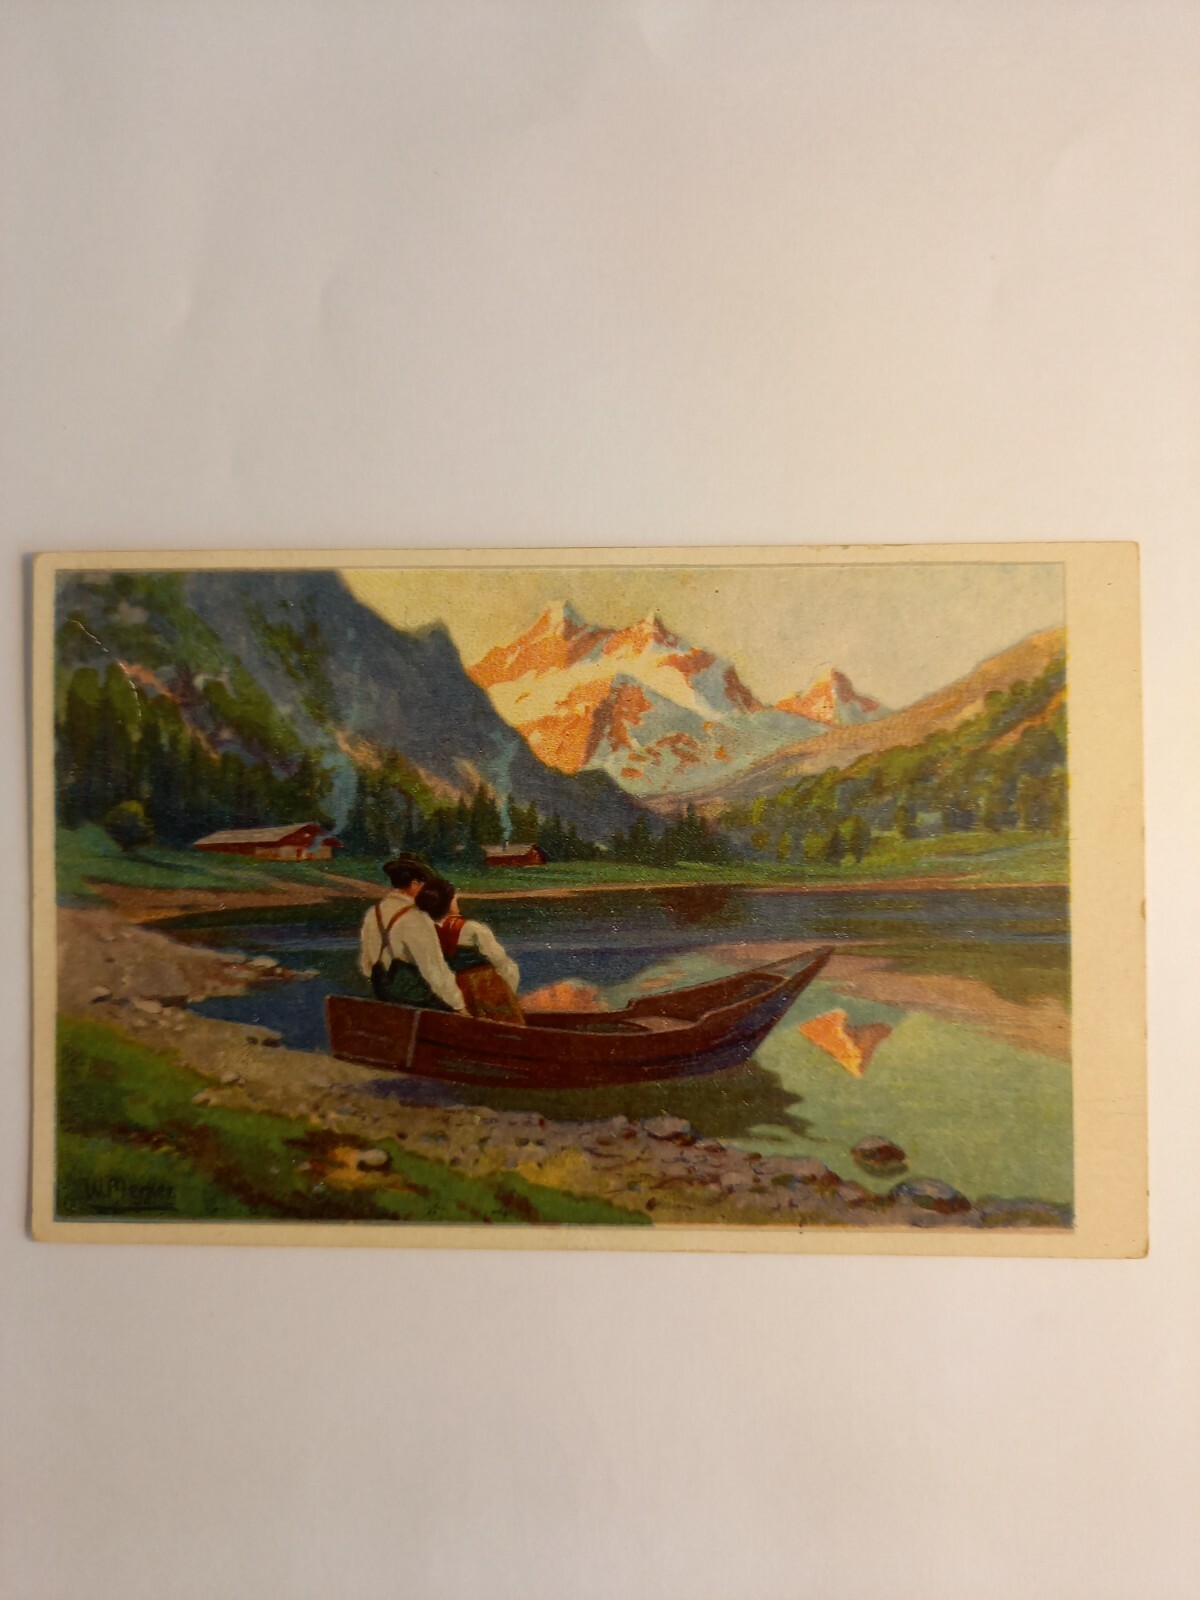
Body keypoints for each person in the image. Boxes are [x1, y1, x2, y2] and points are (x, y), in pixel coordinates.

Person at [358, 854, 468, 1014]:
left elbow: (366, 966)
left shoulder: (373, 913)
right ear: (415, 884)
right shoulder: (416, 918)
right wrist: (459, 1006)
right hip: (416, 1002)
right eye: (426, 885)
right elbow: (434, 971)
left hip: (385, 996)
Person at [415, 875, 524, 1024]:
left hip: (454, 990)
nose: (456, 901)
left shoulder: (425, 931)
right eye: (454, 898)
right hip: (484, 988)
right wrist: (509, 992)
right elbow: (500, 962)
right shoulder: (473, 929)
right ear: (448, 903)